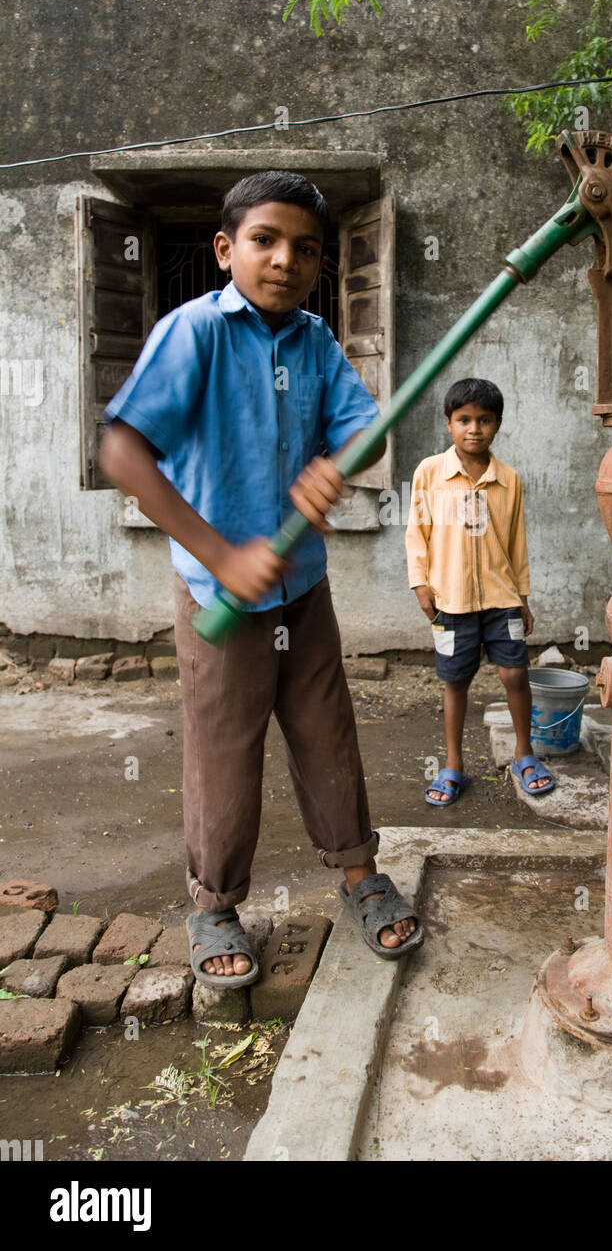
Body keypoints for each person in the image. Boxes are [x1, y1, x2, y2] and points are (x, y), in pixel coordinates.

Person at [100, 170, 423, 987]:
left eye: (305, 249)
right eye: (264, 240)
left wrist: (337, 465)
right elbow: (122, 453)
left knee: (326, 730)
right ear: (225, 249)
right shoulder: (192, 334)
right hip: (221, 597)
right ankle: (212, 904)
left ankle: (358, 873)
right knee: (224, 751)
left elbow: (367, 435)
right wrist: (222, 556)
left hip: (302, 589)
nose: (284, 260)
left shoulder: (315, 341)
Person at [405, 378, 555, 805]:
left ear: (498, 425)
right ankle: (454, 765)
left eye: (484, 420)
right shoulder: (430, 473)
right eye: (464, 420)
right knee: (455, 681)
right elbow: (417, 532)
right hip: (450, 600)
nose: (474, 429)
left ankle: (524, 754)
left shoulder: (509, 480)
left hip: (501, 599)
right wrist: (420, 583)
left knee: (515, 674)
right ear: (449, 424)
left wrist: (522, 597)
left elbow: (516, 543)